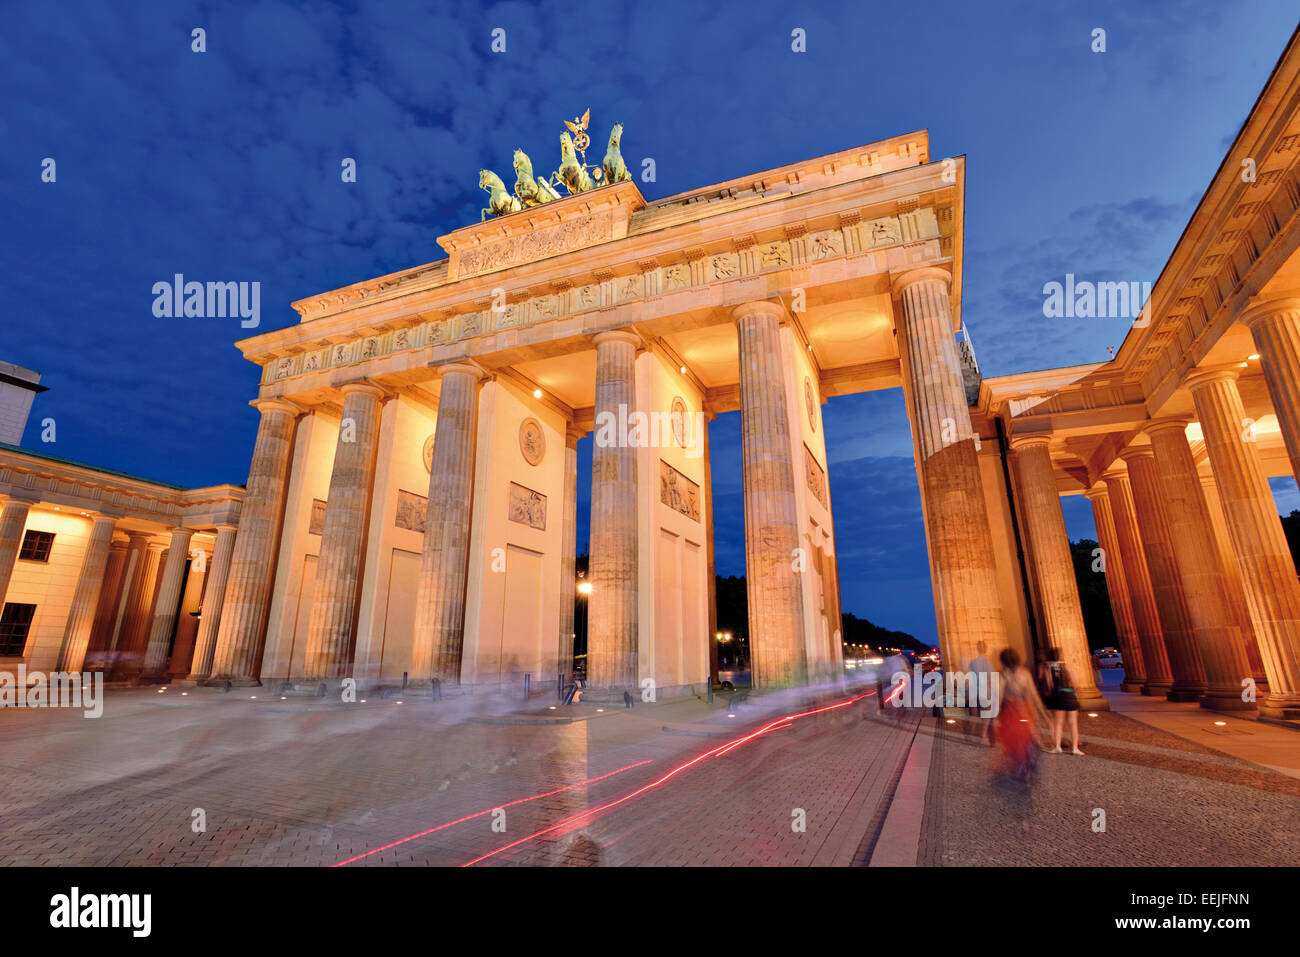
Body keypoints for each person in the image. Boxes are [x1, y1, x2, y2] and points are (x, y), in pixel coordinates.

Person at [994, 648, 1048, 779]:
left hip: (1011, 712)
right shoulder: (1025, 673)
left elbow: (999, 697)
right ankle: (1029, 765)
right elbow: (1034, 696)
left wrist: (994, 717)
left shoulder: (1001, 675)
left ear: (1003, 660)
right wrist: (1044, 715)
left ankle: (1020, 765)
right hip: (1025, 710)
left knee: (1013, 741)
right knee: (1027, 738)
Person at [1038, 646, 1084, 754]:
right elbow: (1074, 682)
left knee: (1058, 723)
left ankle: (1057, 746)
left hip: (1058, 695)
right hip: (1069, 695)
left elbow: (1049, 683)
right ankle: (1075, 748)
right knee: (1073, 723)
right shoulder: (1066, 666)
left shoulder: (1047, 667)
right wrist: (1075, 691)